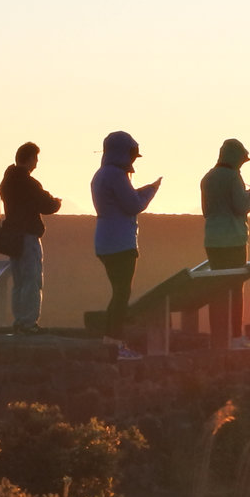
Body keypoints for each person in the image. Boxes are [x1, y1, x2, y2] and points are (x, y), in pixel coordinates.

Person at [89, 130, 160, 347]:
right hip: (120, 242)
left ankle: (111, 340)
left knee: (118, 292)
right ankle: (115, 342)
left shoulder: (101, 174)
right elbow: (133, 205)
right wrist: (151, 190)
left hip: (104, 240)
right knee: (122, 294)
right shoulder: (116, 175)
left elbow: (122, 199)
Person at [0, 141, 61, 334]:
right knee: (32, 279)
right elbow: (47, 205)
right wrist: (57, 202)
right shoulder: (28, 183)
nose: (36, 163)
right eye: (35, 158)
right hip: (28, 236)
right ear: (29, 158)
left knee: (19, 281)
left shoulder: (6, 182)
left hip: (13, 237)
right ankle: (29, 322)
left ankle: (20, 319)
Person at [198, 139, 250, 344]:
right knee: (236, 288)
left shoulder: (207, 178)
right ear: (236, 158)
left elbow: (206, 211)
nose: (242, 164)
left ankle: (218, 336)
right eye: (242, 160)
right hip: (234, 239)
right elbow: (240, 207)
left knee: (217, 289)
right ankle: (234, 336)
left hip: (212, 240)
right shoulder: (233, 177)